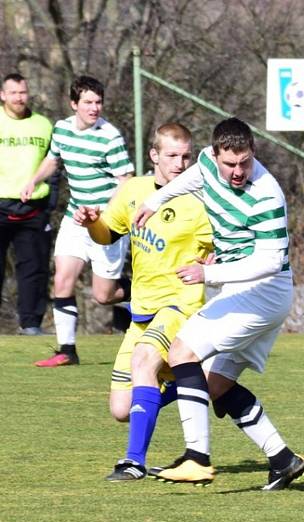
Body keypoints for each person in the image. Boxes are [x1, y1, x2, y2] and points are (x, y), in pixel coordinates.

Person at [133, 117, 304, 490]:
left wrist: (207, 274)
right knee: (216, 385)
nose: (238, 171)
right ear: (215, 155)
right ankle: (283, 459)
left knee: (182, 353)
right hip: (245, 292)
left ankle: (197, 458)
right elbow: (195, 177)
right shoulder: (209, 165)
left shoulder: (268, 194)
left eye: (244, 162)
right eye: (230, 164)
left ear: (253, 153)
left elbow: (270, 261)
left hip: (263, 291)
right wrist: (155, 199)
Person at [73, 123, 213, 481]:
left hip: (180, 306)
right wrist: (92, 223)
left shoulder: (200, 202)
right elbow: (108, 233)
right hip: (143, 311)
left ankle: (133, 461)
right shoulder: (134, 191)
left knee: (143, 360)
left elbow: (224, 247)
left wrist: (214, 261)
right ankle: (193, 383)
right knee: (121, 409)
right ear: (154, 155)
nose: (181, 164)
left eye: (186, 157)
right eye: (172, 156)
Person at [21, 75, 134, 366]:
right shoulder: (61, 130)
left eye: (98, 102)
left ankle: (144, 291)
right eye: (88, 102)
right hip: (75, 217)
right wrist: (33, 179)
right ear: (74, 104)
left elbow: (127, 181)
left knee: (103, 295)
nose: (94, 108)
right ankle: (67, 350)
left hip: (106, 223)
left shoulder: (110, 136)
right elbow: (53, 159)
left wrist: (104, 214)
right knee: (62, 279)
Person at [0, 73, 53, 335]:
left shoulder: (43, 124)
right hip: (0, 204)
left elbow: (54, 162)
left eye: (23, 92)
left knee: (34, 268)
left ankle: (31, 324)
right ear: (3, 95)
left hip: (33, 207)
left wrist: (49, 195)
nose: (19, 98)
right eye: (13, 93)